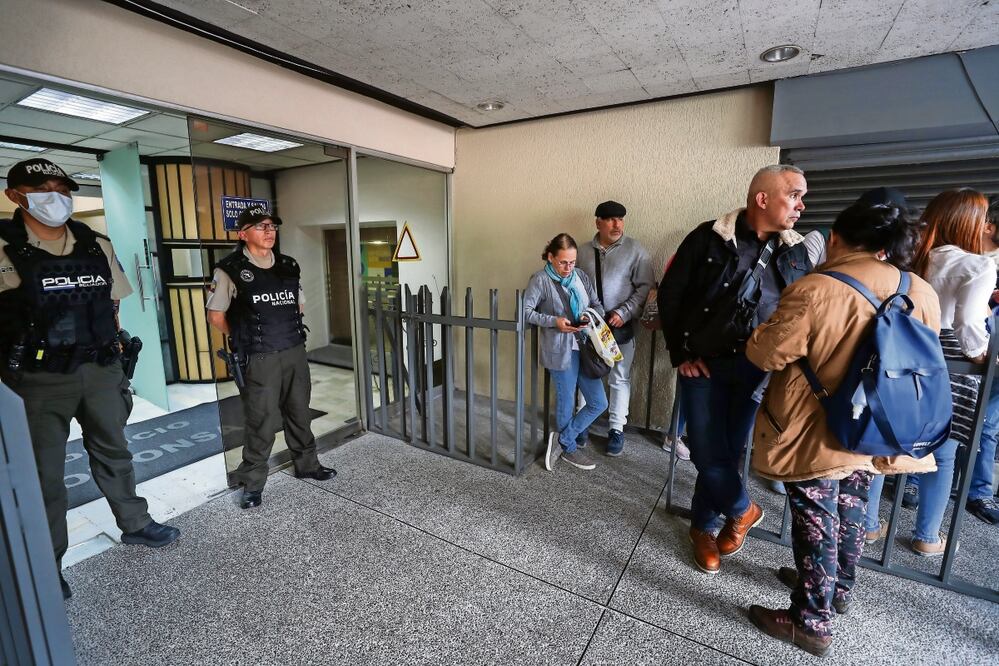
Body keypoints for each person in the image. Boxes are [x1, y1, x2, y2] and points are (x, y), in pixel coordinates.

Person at [744, 200, 938, 657]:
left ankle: (810, 621)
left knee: (816, 517)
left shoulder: (819, 287)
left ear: (836, 238)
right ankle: (837, 589)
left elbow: (767, 354)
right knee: (851, 507)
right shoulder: (920, 289)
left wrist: (758, 334)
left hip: (819, 427)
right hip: (881, 425)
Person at [0, 158, 180, 600]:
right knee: (44, 476)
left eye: (62, 187)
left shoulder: (95, 243)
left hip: (100, 369)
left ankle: (135, 524)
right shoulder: (2, 248)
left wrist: (112, 353)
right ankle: (48, 563)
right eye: (41, 187)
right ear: (14, 195)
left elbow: (112, 304)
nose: (55, 196)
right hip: (38, 379)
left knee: (115, 450)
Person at [657, 164, 812, 574]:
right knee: (707, 449)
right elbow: (671, 296)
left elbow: (802, 312)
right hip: (702, 364)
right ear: (763, 199)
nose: (801, 205)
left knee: (728, 450)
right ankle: (742, 509)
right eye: (794, 195)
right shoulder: (707, 237)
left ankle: (704, 526)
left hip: (755, 369)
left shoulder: (794, 251)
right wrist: (680, 353)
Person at [206, 206, 335, 509]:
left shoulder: (289, 265)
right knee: (261, 421)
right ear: (243, 234)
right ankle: (252, 483)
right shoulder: (230, 269)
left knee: (299, 412)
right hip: (260, 358)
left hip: (292, 350)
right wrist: (244, 337)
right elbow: (216, 316)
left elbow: (297, 306)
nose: (269, 232)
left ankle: (307, 465)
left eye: (272, 227)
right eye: (261, 226)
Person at [903, 189, 996, 553]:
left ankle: (868, 525)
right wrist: (983, 355)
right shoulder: (977, 265)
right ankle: (926, 537)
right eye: (983, 218)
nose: (987, 226)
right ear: (968, 223)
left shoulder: (913, 257)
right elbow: (969, 326)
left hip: (908, 346)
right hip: (949, 357)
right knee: (944, 449)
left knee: (889, 442)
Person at [575, 200, 654, 456]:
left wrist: (624, 312)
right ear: (598, 222)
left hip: (619, 327)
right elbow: (574, 286)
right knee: (586, 375)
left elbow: (645, 287)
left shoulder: (636, 250)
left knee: (620, 378)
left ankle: (616, 429)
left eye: (620, 218)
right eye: (610, 219)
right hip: (589, 329)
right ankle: (581, 423)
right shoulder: (583, 251)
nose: (617, 224)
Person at [524, 233, 607, 472]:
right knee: (566, 399)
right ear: (550, 257)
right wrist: (555, 322)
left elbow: (597, 304)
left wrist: (588, 316)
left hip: (585, 347)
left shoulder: (580, 276)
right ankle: (569, 448)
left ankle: (562, 439)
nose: (568, 268)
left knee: (598, 402)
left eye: (572, 262)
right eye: (563, 262)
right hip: (561, 350)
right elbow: (526, 312)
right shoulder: (540, 280)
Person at [966, 194, 999, 524]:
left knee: (988, 426)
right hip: (978, 346)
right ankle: (914, 482)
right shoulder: (971, 257)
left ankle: (979, 493)